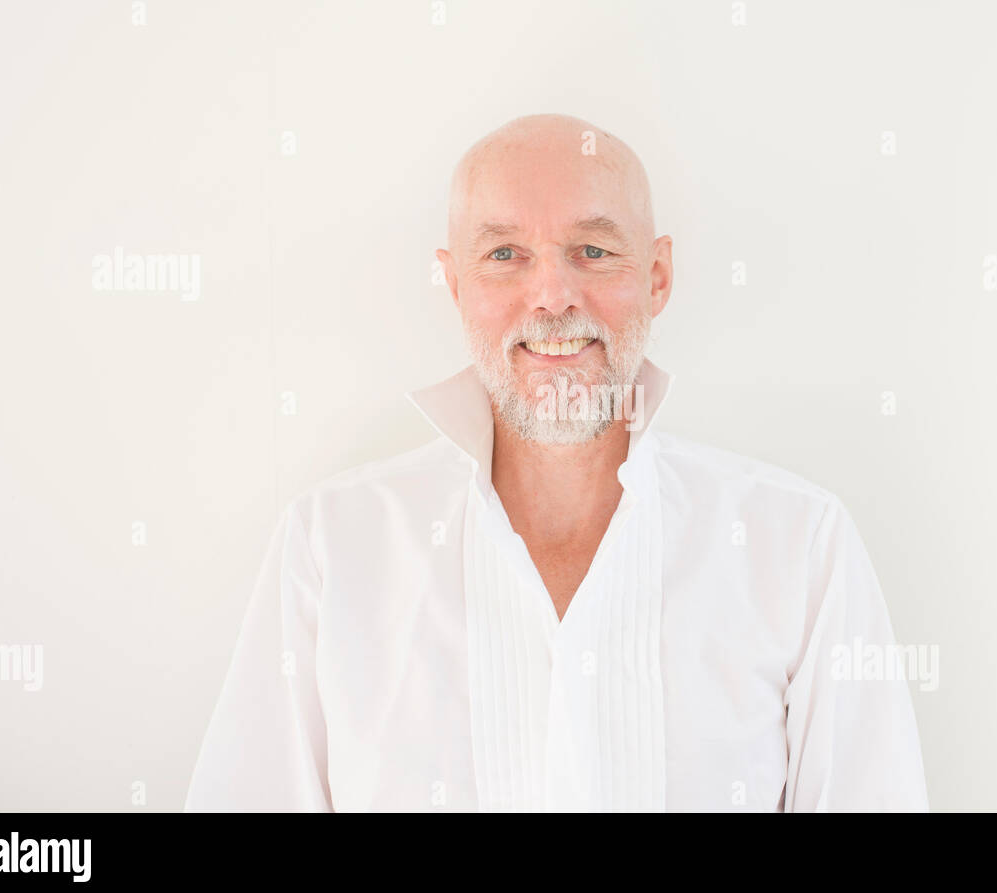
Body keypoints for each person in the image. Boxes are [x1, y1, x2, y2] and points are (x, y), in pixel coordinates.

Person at [184, 113, 929, 812]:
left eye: (593, 251)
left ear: (658, 276)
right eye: (505, 255)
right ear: (455, 284)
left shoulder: (798, 548)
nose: (551, 296)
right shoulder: (332, 547)